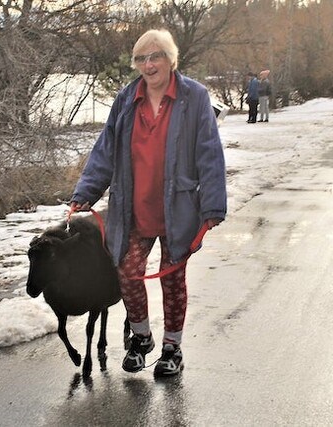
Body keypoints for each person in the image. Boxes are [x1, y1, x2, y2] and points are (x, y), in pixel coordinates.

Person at [69, 29, 226, 377]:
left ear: (171, 59)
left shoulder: (194, 97)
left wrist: (213, 207)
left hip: (179, 209)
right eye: (141, 58)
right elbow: (105, 151)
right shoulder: (126, 99)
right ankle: (141, 338)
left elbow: (210, 154)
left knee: (173, 280)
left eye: (155, 56)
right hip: (134, 207)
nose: (148, 64)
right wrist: (85, 193)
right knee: (128, 271)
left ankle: (173, 349)